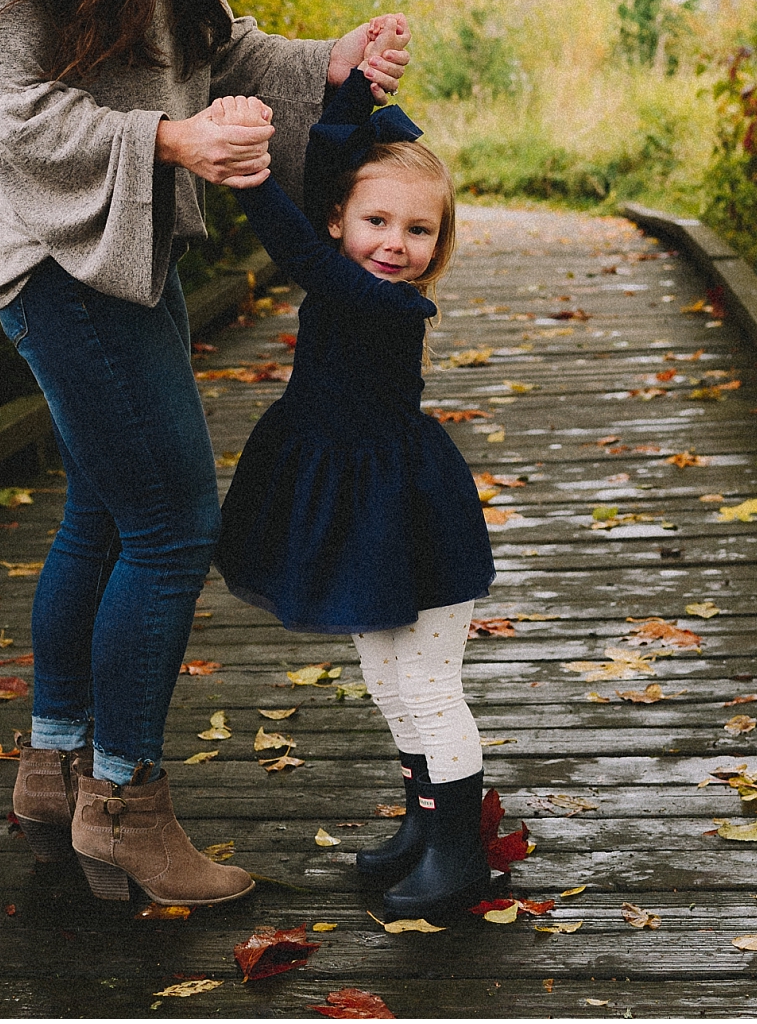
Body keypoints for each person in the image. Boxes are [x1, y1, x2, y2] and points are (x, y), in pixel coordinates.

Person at [0, 0, 411, 909]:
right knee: (173, 527)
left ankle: (53, 771)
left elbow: (219, 52)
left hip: (133, 251)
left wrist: (335, 60)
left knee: (106, 514)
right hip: (58, 261)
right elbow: (4, 113)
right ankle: (125, 803)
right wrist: (167, 141)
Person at [210, 76, 501, 918]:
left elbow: (302, 253)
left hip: (416, 518)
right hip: (372, 509)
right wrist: (350, 89)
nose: (395, 242)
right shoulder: (346, 262)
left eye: (419, 229)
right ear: (341, 217)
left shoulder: (383, 302)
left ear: (437, 243)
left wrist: (252, 179)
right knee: (385, 675)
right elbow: (335, 169)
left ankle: (460, 854)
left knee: (429, 684)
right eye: (378, 221)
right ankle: (423, 823)